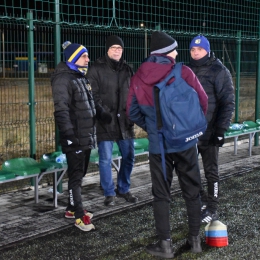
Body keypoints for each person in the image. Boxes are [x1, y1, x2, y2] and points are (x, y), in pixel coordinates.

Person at [127, 31, 208, 258]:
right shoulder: (184, 71)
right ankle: (195, 241)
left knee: (161, 195)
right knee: (192, 191)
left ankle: (165, 245)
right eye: (174, 49)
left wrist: (154, 128)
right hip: (184, 143)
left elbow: (131, 111)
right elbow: (203, 101)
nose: (177, 52)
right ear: (167, 52)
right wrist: (187, 127)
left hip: (159, 146)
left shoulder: (138, 77)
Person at [188, 35, 235, 223]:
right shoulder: (187, 70)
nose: (196, 52)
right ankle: (200, 201)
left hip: (210, 131)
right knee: (189, 169)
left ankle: (212, 207)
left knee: (211, 171)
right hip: (190, 132)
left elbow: (227, 103)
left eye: (199, 49)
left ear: (207, 50)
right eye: (192, 49)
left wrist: (220, 131)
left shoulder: (219, 71)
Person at [87, 35, 138, 206]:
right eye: (114, 47)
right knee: (105, 159)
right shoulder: (96, 69)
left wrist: (132, 113)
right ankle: (109, 192)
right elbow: (92, 95)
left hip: (125, 121)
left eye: (120, 48)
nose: (117, 50)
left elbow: (134, 93)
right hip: (105, 121)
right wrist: (103, 113)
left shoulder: (127, 69)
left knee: (129, 156)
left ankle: (123, 188)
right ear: (107, 50)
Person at [51, 41, 96, 232]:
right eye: (84, 56)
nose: (88, 59)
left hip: (85, 135)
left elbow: (88, 103)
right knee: (76, 176)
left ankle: (71, 209)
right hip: (74, 136)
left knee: (81, 173)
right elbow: (61, 110)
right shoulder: (63, 80)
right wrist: (69, 135)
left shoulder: (80, 77)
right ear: (74, 58)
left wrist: (102, 112)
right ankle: (78, 216)